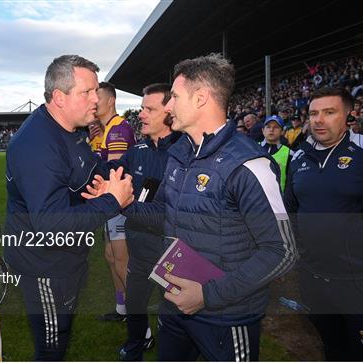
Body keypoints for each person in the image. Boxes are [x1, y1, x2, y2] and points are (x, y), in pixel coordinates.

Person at [87, 53, 297, 361]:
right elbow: (166, 216)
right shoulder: (180, 154)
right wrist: (125, 203)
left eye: (173, 96)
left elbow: (282, 251)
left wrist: (208, 295)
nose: (168, 106)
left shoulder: (248, 164)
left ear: (200, 99)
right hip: (175, 308)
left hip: (225, 316)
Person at [4, 55, 134, 361]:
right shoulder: (37, 145)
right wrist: (112, 201)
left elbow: (91, 170)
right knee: (52, 348)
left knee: (61, 333)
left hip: (67, 259)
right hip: (44, 266)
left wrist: (106, 181)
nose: (96, 99)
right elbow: (51, 225)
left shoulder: (72, 129)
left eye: (96, 91)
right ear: (59, 97)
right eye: (86, 92)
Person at [285, 87, 363, 361]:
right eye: (314, 113)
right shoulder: (299, 157)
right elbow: (292, 211)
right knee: (332, 348)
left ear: (349, 116)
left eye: (329, 112)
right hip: (315, 280)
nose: (318, 119)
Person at [112, 83, 181, 360]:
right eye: (141, 108)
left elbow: (170, 215)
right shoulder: (137, 150)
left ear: (169, 111)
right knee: (135, 303)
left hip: (172, 254)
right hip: (139, 249)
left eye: (148, 109)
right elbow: (111, 175)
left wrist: (124, 205)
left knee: (174, 315)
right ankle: (136, 345)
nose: (141, 114)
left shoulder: (184, 152)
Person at [95, 81, 136, 322]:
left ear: (110, 100)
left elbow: (114, 170)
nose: (93, 101)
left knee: (121, 259)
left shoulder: (118, 129)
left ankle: (139, 323)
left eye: (97, 97)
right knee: (111, 256)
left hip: (118, 204)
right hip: (111, 205)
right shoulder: (105, 129)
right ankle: (122, 309)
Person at [260, 115, 293, 192]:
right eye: (268, 127)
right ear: (263, 130)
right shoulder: (253, 149)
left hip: (279, 199)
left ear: (282, 132)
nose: (271, 129)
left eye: (276, 127)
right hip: (255, 197)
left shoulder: (289, 154)